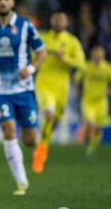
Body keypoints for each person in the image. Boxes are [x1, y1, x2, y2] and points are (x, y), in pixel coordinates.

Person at [0, 0, 47, 195]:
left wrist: (31, 68)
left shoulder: (25, 25)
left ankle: (36, 138)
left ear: (12, 2)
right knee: (8, 130)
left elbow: (42, 52)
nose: (3, 2)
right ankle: (22, 182)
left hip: (24, 89)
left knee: (29, 140)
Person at [32, 11, 86, 173]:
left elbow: (82, 64)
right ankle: (40, 155)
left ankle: (42, 145)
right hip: (44, 83)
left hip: (62, 87)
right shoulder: (42, 38)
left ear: (66, 23)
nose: (57, 22)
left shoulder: (72, 42)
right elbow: (32, 56)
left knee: (54, 120)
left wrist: (65, 59)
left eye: (61, 20)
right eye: (55, 19)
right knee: (49, 113)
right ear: (51, 21)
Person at [74, 45, 111, 159]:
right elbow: (76, 78)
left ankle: (91, 148)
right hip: (88, 101)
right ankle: (83, 136)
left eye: (100, 55)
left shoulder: (108, 68)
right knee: (91, 124)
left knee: (99, 128)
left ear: (103, 56)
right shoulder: (86, 66)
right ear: (92, 56)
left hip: (101, 102)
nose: (97, 57)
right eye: (95, 55)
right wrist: (76, 90)